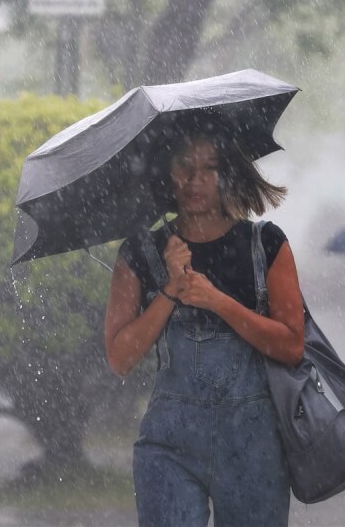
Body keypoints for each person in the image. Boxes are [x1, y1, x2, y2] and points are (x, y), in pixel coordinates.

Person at [104, 130, 305, 527]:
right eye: (185, 166)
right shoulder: (142, 253)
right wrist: (171, 290)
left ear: (228, 173)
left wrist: (218, 301)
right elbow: (119, 358)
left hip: (252, 444)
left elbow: (292, 345)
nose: (196, 180)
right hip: (169, 446)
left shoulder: (264, 245)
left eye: (210, 168)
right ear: (168, 172)